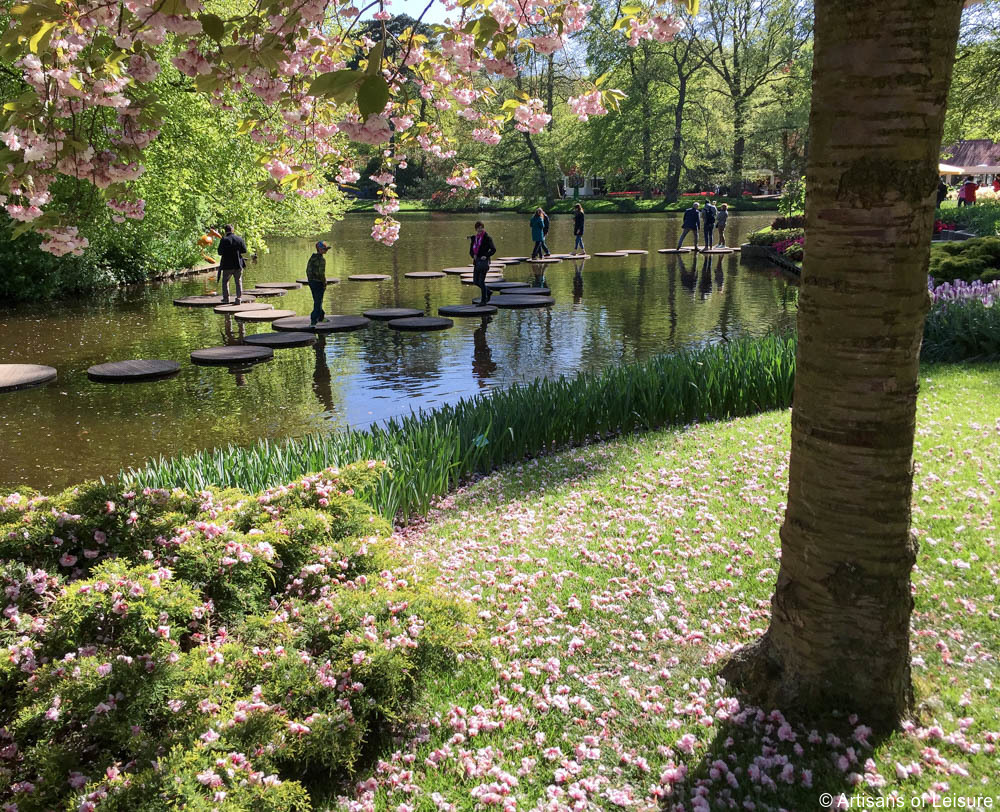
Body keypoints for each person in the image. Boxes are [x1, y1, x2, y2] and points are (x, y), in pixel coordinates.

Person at [217, 224, 247, 304]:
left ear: (225, 231)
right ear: (233, 230)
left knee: (225, 282)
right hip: (238, 264)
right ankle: (239, 298)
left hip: (227, 265)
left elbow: (219, 252)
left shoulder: (224, 240)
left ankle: (226, 299)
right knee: (238, 281)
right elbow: (244, 250)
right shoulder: (239, 239)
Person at [469, 220, 496, 304]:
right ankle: (488, 291)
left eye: (481, 228)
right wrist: (473, 255)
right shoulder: (474, 238)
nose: (480, 229)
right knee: (475, 281)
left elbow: (493, 249)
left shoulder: (487, 238)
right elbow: (471, 251)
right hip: (477, 262)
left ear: (483, 228)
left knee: (481, 281)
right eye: (478, 228)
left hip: (484, 262)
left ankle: (484, 300)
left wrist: (486, 255)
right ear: (476, 229)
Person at [305, 240, 330, 326]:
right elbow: (321, 273)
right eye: (324, 249)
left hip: (312, 282)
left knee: (317, 300)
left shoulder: (312, 257)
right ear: (319, 249)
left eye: (326, 249)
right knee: (318, 302)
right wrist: (324, 282)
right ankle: (313, 320)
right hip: (318, 283)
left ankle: (321, 317)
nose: (326, 251)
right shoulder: (322, 260)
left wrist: (310, 280)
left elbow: (307, 270)